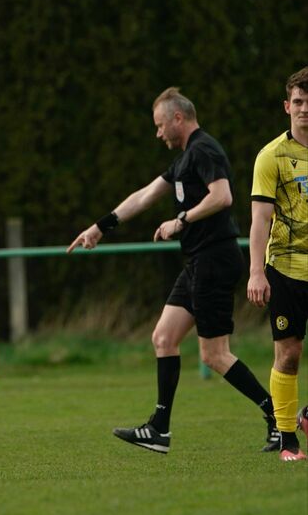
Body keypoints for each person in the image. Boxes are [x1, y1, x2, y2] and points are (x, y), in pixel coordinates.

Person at [68, 86, 279, 454]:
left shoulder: (204, 149)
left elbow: (223, 196)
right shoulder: (184, 160)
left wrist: (181, 219)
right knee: (164, 338)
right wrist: (100, 227)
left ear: (178, 118)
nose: (158, 133)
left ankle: (278, 417)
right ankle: (159, 430)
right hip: (198, 262)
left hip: (215, 260)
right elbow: (144, 195)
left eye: (160, 125)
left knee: (214, 355)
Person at [247, 67, 308, 462]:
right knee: (289, 355)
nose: (304, 109)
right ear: (287, 106)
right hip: (285, 269)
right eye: (298, 102)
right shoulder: (272, 156)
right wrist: (256, 271)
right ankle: (288, 442)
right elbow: (260, 220)